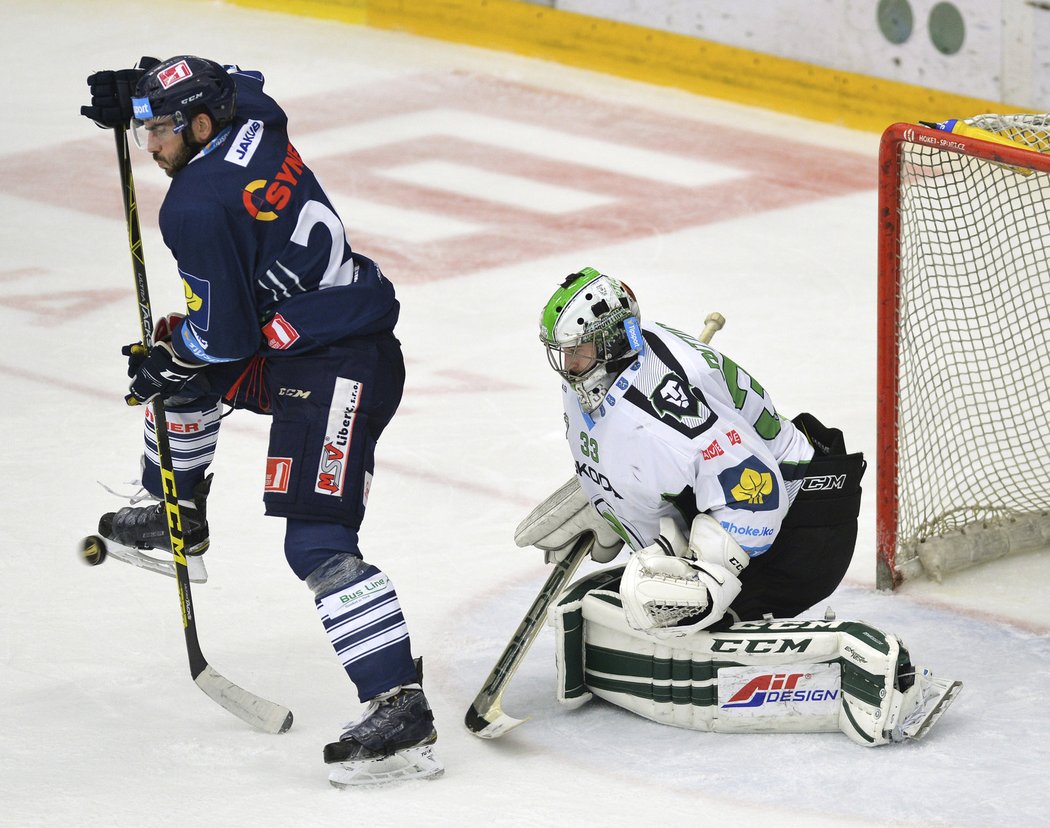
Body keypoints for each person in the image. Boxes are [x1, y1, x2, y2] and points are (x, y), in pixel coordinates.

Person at [81, 56, 441, 786]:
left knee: (317, 542)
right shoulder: (256, 114)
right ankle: (172, 510)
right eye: (143, 129)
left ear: (201, 125)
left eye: (157, 130)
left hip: (341, 364)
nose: (148, 146)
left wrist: (173, 359)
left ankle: (399, 705)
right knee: (175, 366)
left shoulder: (195, 206)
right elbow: (234, 77)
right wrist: (145, 85)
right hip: (307, 335)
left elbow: (225, 341)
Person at [516, 267, 960, 745]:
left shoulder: (664, 416)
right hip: (760, 506)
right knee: (655, 587)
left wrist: (708, 576)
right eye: (561, 353)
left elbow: (758, 490)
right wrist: (609, 499)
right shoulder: (613, 373)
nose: (567, 365)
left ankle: (860, 671)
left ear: (611, 342)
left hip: (803, 527)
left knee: (674, 605)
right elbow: (642, 454)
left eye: (577, 353)